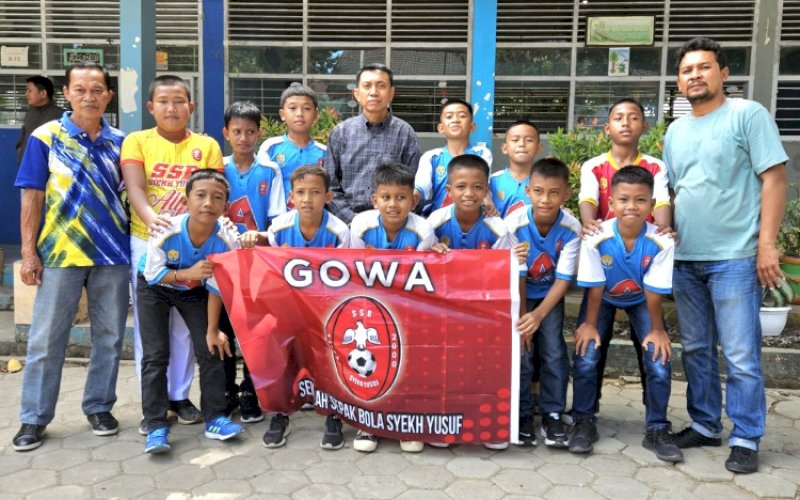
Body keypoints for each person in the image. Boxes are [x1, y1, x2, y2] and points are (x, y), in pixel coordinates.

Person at [664, 37, 789, 474]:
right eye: (686, 70)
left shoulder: (747, 115)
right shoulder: (676, 130)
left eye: (704, 67)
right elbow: (675, 192)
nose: (694, 75)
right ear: (678, 81)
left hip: (735, 255)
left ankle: (746, 435)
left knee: (740, 353)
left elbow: (774, 178)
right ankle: (704, 424)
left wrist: (766, 245)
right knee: (696, 348)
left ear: (723, 74)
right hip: (685, 257)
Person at [12, 62, 129, 451]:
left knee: (110, 337)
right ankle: (33, 418)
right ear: (67, 92)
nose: (89, 97)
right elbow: (32, 197)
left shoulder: (123, 142)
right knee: (46, 340)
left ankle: (99, 406)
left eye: (97, 89)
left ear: (109, 95)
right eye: (80, 89)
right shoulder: (45, 137)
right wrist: (29, 253)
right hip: (60, 254)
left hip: (112, 253)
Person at [121, 75, 224, 432]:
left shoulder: (206, 145)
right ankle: (156, 402)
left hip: (193, 244)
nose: (172, 108)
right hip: (148, 240)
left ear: (190, 107)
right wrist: (155, 224)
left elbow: (216, 193)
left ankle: (179, 396)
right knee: (150, 331)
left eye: (179, 101)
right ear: (151, 107)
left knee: (184, 328)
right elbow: (135, 187)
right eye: (164, 101)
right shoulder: (137, 142)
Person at [569, 166, 679, 462]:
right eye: (624, 200)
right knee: (587, 352)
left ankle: (657, 427)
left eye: (641, 200)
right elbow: (595, 286)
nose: (632, 207)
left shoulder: (662, 240)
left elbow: (654, 292)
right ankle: (583, 421)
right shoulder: (596, 236)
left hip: (642, 298)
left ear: (653, 203)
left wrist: (657, 330)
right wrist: (590, 325)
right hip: (602, 298)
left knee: (658, 356)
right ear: (612, 203)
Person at [240, 165, 350, 450]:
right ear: (291, 197)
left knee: (327, 361)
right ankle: (280, 413)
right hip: (287, 308)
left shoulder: (339, 231)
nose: (307, 199)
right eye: (300, 192)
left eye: (315, 193)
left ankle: (333, 414)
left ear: (328, 197)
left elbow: (345, 278)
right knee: (282, 359)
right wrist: (257, 238)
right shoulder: (280, 228)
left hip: (324, 311)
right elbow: (268, 264)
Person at [138, 169, 244, 454]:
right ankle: (156, 425)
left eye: (217, 197)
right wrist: (188, 272)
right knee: (156, 354)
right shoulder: (165, 229)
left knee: (211, 348)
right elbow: (152, 274)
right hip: (155, 287)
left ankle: (216, 419)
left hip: (194, 291)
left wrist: (212, 330)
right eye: (200, 195)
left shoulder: (226, 240)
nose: (208, 202)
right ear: (186, 201)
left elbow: (217, 286)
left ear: (225, 206)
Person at [577, 98, 672, 414]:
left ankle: (656, 420)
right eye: (618, 117)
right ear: (607, 128)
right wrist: (590, 224)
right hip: (607, 259)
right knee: (590, 350)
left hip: (643, 262)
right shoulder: (594, 165)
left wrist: (663, 232)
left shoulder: (656, 166)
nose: (626, 122)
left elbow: (661, 204)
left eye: (634, 117)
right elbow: (588, 199)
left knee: (651, 348)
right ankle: (585, 416)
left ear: (644, 127)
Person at [427, 153, 520, 450]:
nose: (469, 194)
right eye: (461, 186)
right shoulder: (434, 223)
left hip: (484, 309)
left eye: (477, 187)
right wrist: (435, 253)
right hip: (443, 308)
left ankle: (488, 425)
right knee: (445, 365)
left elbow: (507, 274)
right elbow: (421, 270)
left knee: (482, 365)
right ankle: (443, 423)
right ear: (449, 190)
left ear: (486, 192)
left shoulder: (498, 229)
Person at [349, 162, 436, 453]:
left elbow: (426, 279)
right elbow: (350, 272)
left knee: (408, 362)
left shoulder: (423, 231)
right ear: (375, 200)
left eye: (401, 197)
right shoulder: (361, 225)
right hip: (370, 306)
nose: (393, 204)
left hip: (409, 308)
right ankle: (369, 422)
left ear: (413, 200)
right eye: (386, 197)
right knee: (372, 361)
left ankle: (406, 422)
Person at [505, 158, 581, 450]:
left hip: (549, 298)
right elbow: (518, 274)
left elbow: (563, 280)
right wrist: (524, 318)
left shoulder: (572, 228)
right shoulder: (514, 224)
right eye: (538, 191)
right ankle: (523, 414)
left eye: (553, 192)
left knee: (553, 351)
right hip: (519, 295)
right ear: (528, 191)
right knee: (521, 351)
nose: (545, 199)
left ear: (566, 194)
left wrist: (538, 315)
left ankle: (552, 413)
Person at [220, 101, 285, 423]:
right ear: (226, 133)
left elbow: (276, 220)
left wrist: (259, 238)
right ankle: (225, 390)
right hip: (223, 261)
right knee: (223, 327)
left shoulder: (269, 170)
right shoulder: (217, 167)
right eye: (237, 132)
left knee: (255, 329)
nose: (243, 137)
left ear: (259, 134)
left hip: (258, 262)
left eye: (249, 132)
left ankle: (251, 390)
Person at [325, 63, 421, 224]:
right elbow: (330, 186)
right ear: (357, 93)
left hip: (393, 225)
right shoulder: (340, 133)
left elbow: (413, 184)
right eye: (367, 86)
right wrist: (352, 222)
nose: (374, 92)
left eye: (381, 86)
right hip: (347, 226)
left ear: (391, 93)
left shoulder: (405, 133)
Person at [415, 98, 492, 216]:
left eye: (462, 116)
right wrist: (413, 197)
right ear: (440, 128)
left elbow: (484, 184)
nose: (455, 120)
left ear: (472, 126)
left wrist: (488, 202)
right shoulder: (432, 157)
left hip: (474, 219)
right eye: (449, 116)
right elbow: (421, 186)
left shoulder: (482, 154)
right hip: (438, 223)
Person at [258, 82, 326, 206]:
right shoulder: (270, 148)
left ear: (315, 115)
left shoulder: (324, 152)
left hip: (314, 219)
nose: (299, 114)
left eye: (306, 108)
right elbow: (261, 186)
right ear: (282, 114)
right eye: (293, 108)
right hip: (277, 220)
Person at [487, 120, 542, 217]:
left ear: (538, 148)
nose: (521, 144)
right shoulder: (492, 182)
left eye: (529, 140)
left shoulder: (545, 181)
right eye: (515, 140)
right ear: (504, 148)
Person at [16, 75, 65, 164]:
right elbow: (24, 135)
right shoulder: (30, 113)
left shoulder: (60, 116)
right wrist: (20, 149)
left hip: (50, 169)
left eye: (30, 91)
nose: (26, 94)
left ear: (43, 94)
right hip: (27, 166)